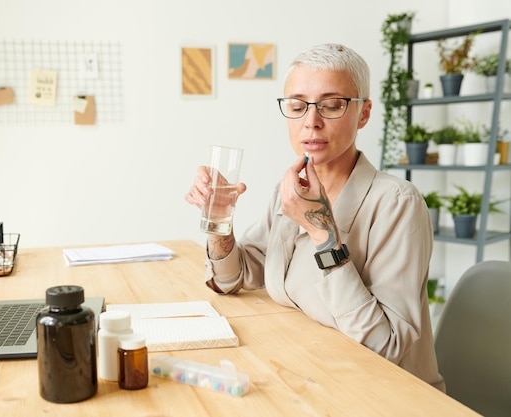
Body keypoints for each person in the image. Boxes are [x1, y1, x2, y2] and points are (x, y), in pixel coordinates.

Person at [184, 43, 445, 392]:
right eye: (296, 106)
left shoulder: (397, 203)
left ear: (363, 113)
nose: (311, 122)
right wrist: (219, 220)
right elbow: (236, 277)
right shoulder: (291, 191)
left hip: (385, 394)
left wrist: (322, 232)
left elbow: (384, 347)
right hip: (314, 375)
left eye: (332, 105)